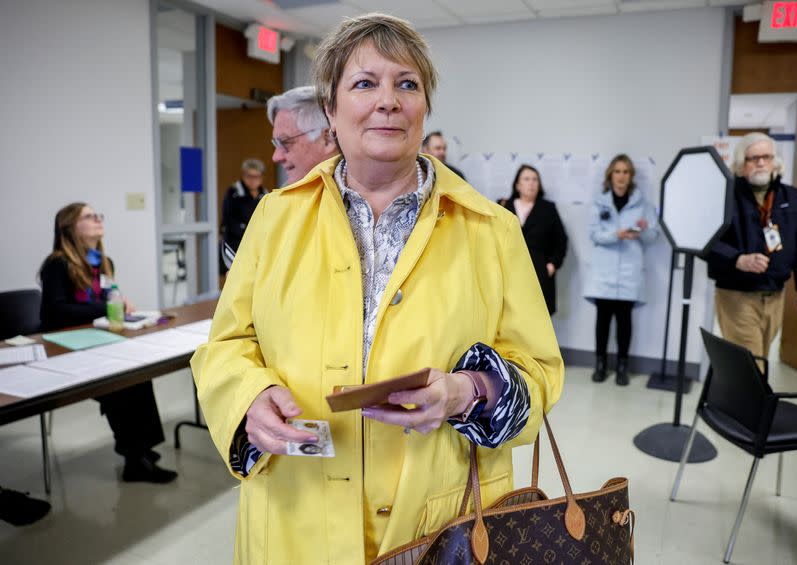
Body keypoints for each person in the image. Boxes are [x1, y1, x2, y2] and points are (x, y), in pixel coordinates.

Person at [191, 13, 563, 564]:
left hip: (440, 528)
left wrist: (464, 393)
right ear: (331, 111)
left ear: (424, 107)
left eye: (407, 84)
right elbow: (225, 345)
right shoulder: (274, 219)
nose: (388, 100)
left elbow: (539, 370)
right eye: (365, 83)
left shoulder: (493, 230)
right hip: (296, 517)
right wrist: (248, 398)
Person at [39, 203, 177, 484]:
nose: (98, 220)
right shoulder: (57, 263)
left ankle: (142, 449)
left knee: (139, 372)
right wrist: (106, 307)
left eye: (98, 215)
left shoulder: (103, 261)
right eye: (89, 217)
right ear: (70, 227)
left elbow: (107, 296)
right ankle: (134, 459)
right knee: (120, 383)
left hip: (100, 340)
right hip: (66, 347)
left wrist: (118, 302)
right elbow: (55, 312)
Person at [707, 132, 797, 360]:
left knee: (760, 359)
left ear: (775, 161)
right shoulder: (724, 196)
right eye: (753, 158)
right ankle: (750, 397)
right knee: (751, 363)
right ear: (741, 164)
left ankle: (739, 395)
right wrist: (738, 259)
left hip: (775, 296)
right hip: (737, 295)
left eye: (766, 157)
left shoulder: (792, 197)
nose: (760, 163)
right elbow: (707, 240)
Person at [584, 154, 659, 386]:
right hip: (604, 271)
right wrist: (616, 235)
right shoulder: (599, 202)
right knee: (603, 321)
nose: (621, 176)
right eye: (617, 171)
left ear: (631, 176)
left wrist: (642, 231)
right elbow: (594, 235)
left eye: (626, 172)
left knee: (625, 321)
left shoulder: (643, 205)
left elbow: (652, 236)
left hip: (629, 270)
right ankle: (600, 364)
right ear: (610, 175)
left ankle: (623, 366)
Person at [500, 165, 568, 315]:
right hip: (509, 273)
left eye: (535, 179)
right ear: (517, 184)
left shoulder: (548, 208)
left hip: (539, 274)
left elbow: (561, 241)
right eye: (526, 179)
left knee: (536, 320)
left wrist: (551, 266)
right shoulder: (503, 206)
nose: (531, 183)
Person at [267, 85, 339, 185]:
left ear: (328, 139)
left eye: (285, 142)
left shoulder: (359, 197)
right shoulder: (282, 198)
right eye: (276, 143)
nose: (276, 157)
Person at [220, 158, 268, 257]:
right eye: (249, 176)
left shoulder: (265, 193)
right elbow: (228, 219)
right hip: (236, 244)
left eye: (257, 176)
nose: (253, 180)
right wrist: (248, 231)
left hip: (257, 244)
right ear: (244, 175)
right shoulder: (234, 192)